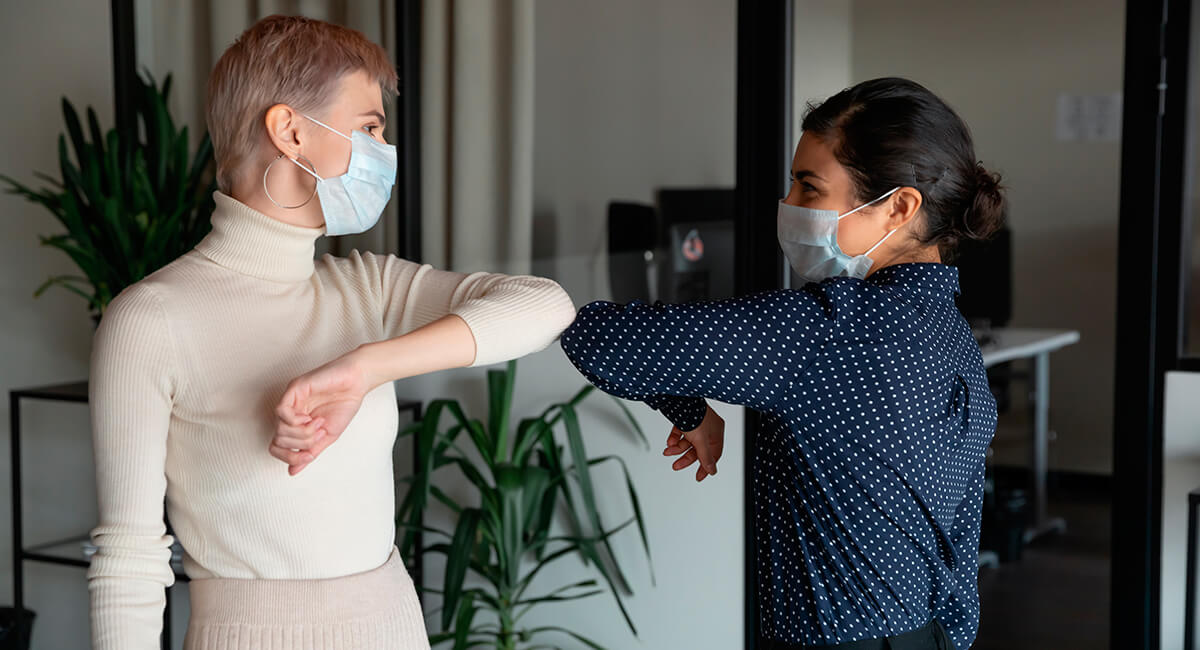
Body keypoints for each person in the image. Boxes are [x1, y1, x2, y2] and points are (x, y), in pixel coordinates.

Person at [88, 15, 575, 650]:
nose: (383, 150)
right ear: (290, 131)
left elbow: (545, 306)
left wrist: (367, 368)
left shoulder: (366, 288)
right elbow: (128, 557)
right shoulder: (150, 319)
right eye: (370, 128)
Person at [560, 77, 1004, 650]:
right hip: (932, 633)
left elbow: (598, 337)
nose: (788, 206)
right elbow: (961, 544)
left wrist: (691, 412)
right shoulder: (950, 331)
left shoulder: (829, 327)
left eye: (808, 186)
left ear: (898, 206)